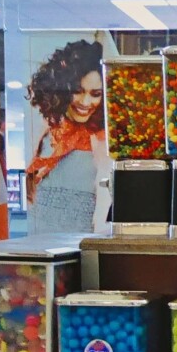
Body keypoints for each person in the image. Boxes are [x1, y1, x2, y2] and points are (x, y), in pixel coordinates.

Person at [26, 39, 110, 233]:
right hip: (40, 241)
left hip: (82, 245)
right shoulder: (48, 132)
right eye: (77, 91)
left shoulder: (103, 142)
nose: (85, 102)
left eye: (96, 94)